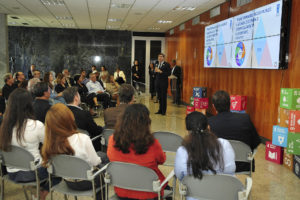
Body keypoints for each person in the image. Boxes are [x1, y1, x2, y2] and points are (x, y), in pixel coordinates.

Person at [41, 103, 107, 199]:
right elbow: (95, 162)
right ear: (70, 119)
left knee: (101, 156)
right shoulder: (82, 138)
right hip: (88, 181)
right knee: (104, 161)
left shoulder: (49, 144)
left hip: (68, 181)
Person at [107, 104, 167, 199]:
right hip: (149, 193)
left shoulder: (112, 140)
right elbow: (162, 160)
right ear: (146, 122)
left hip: (122, 191)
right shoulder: (152, 144)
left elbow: (111, 158)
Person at [0, 88, 51, 200]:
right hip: (33, 173)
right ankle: (42, 194)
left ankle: (38, 190)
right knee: (58, 168)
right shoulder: (36, 125)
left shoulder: (4, 126)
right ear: (29, 104)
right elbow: (49, 145)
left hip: (11, 173)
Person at [175, 112, 236, 200]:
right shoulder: (224, 144)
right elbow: (231, 170)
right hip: (225, 195)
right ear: (208, 127)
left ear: (187, 131)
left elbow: (181, 177)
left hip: (196, 196)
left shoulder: (183, 151)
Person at [208, 90, 261, 172]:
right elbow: (256, 142)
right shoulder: (245, 119)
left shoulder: (209, 123)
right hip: (243, 165)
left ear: (214, 106)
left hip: (219, 165)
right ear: (230, 104)